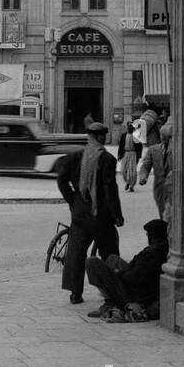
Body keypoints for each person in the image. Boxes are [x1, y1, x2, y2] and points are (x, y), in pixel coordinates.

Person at [54, 121, 123, 304]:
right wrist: (117, 215)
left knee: (75, 255)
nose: (104, 137)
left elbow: (61, 179)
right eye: (103, 135)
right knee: (109, 253)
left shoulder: (76, 157)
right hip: (101, 216)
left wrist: (73, 200)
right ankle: (112, 291)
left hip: (80, 215)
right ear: (99, 137)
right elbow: (110, 190)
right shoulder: (107, 159)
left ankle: (75, 293)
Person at [86, 219, 169, 321]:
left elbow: (134, 277)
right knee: (112, 259)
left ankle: (110, 302)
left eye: (148, 235)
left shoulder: (151, 253)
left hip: (133, 294)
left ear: (153, 236)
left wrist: (119, 274)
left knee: (92, 262)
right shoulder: (164, 248)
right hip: (138, 285)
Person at [136, 108, 169, 217]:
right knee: (163, 214)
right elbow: (146, 166)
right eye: (164, 137)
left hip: (175, 188)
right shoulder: (153, 150)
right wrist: (143, 177)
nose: (166, 139)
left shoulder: (177, 151)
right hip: (160, 188)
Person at [117, 121, 141, 191]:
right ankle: (127, 182)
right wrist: (119, 155)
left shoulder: (136, 136)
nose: (129, 128)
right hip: (125, 153)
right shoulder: (123, 136)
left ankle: (131, 186)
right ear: (127, 128)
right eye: (128, 127)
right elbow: (121, 146)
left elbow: (140, 147)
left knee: (132, 171)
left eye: (131, 127)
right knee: (123, 170)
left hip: (133, 154)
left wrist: (138, 156)